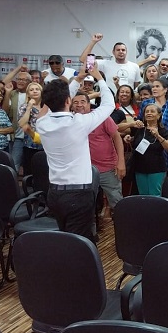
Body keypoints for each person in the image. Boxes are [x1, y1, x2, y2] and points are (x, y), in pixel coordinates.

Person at [37, 63, 114, 242]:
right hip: (78, 194)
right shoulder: (79, 122)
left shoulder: (42, 123)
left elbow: (53, 105)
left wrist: (77, 79)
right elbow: (109, 104)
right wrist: (99, 77)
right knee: (79, 243)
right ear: (69, 101)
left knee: (65, 240)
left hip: (54, 193)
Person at [71, 90, 126, 210]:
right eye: (75, 102)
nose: (79, 105)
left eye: (83, 102)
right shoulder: (70, 120)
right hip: (83, 170)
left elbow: (117, 137)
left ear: (89, 104)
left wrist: (121, 162)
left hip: (108, 168)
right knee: (85, 204)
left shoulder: (101, 117)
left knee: (116, 202)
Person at [125, 104, 168, 195]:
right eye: (147, 112)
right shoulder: (139, 129)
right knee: (142, 195)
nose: (149, 113)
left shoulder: (163, 131)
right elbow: (118, 128)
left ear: (159, 115)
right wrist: (129, 137)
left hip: (156, 169)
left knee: (155, 195)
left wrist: (158, 136)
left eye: (152, 111)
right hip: (139, 168)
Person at [5, 70, 32, 173]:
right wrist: (7, 93)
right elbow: (6, 111)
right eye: (18, 79)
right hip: (14, 135)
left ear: (29, 82)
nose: (20, 81)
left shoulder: (34, 94)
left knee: (27, 166)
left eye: (23, 80)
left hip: (29, 136)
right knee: (13, 164)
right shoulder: (12, 94)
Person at [17, 82, 45, 175]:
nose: (34, 91)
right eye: (31, 90)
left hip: (46, 143)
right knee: (30, 171)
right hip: (30, 144)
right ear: (28, 94)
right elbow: (21, 123)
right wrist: (29, 108)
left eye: (37, 89)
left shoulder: (47, 107)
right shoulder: (24, 107)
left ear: (41, 92)